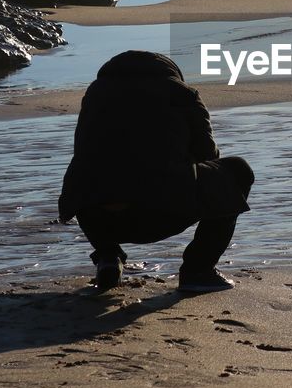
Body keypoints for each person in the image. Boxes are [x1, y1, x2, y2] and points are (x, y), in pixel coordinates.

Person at [58, 50, 254, 293]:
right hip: (159, 211)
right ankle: (198, 270)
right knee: (237, 171)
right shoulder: (182, 94)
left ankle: (108, 255)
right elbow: (209, 156)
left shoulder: (95, 95)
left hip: (96, 216)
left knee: (93, 176)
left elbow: (85, 152)